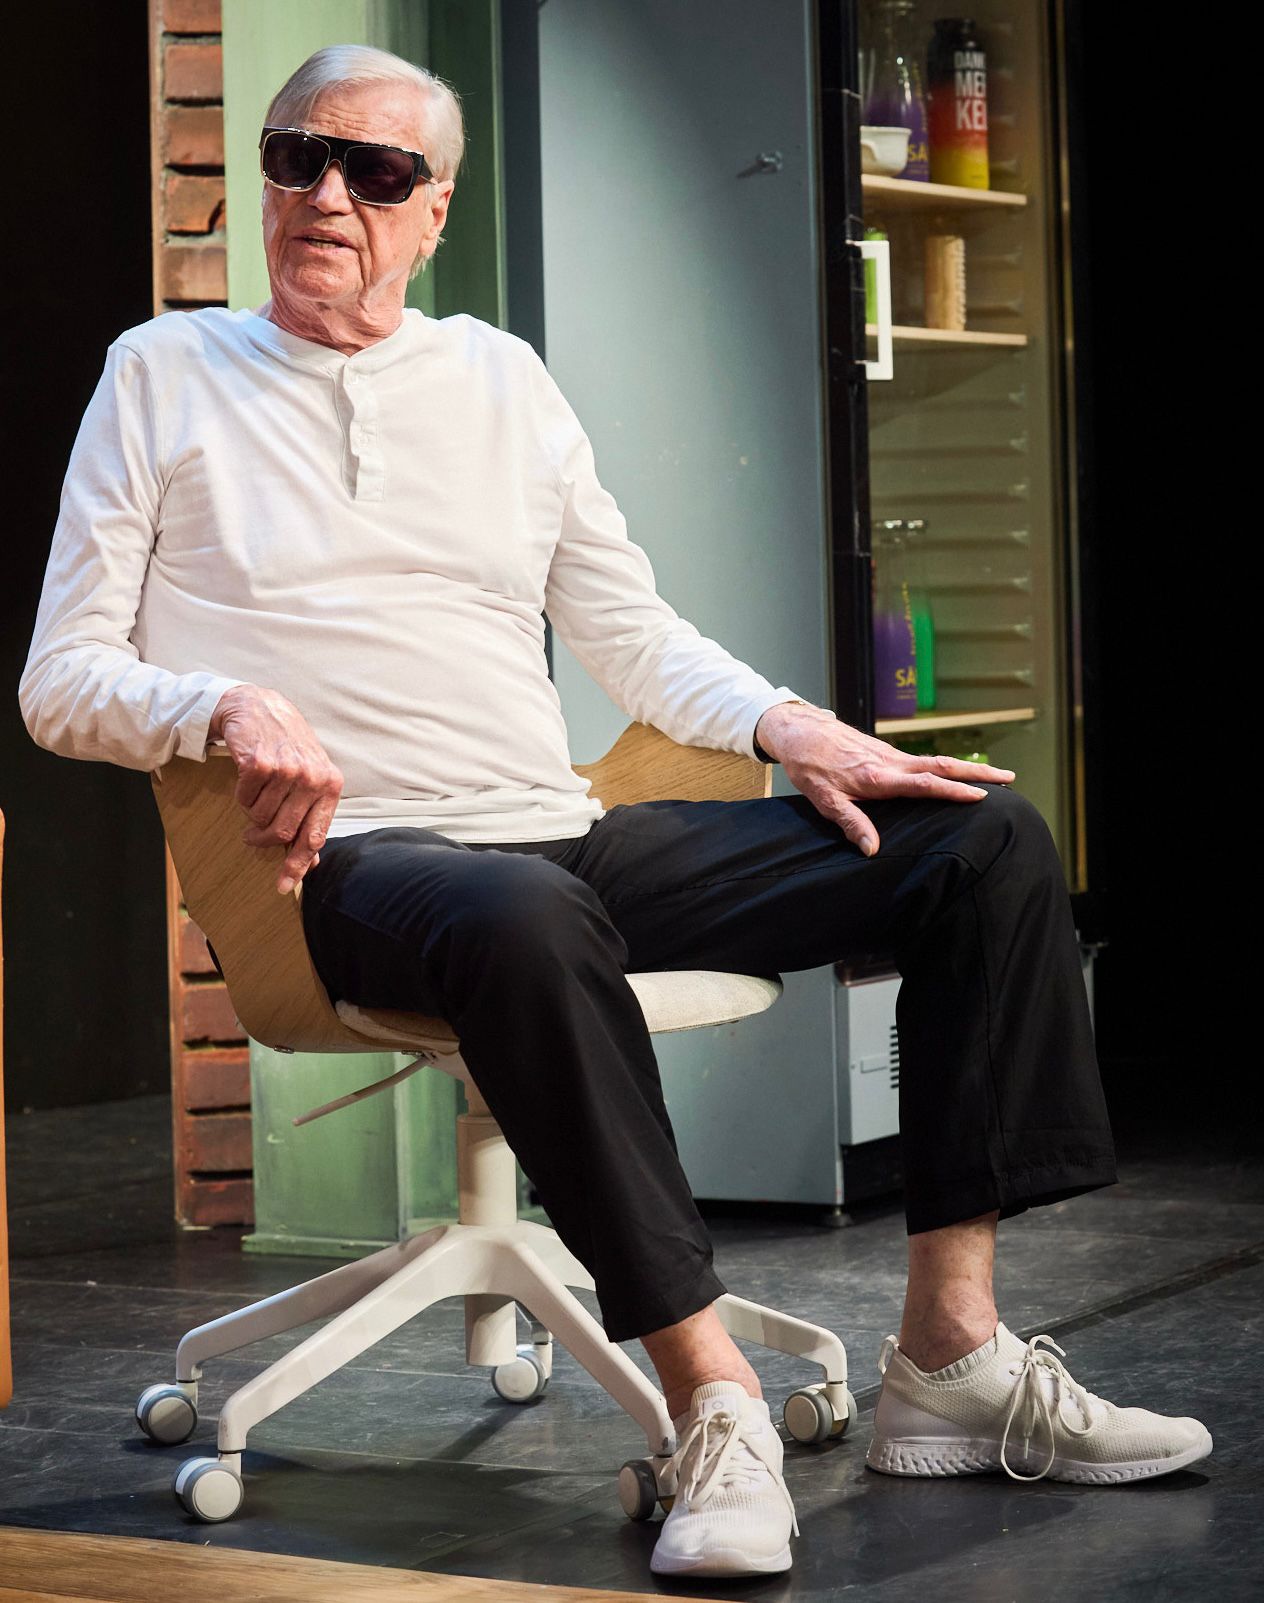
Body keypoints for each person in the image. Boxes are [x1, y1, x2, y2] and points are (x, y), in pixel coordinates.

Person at [19, 43, 1211, 1583]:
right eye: (297, 155)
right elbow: (61, 679)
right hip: (348, 865)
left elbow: (631, 635)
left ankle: (953, 1359)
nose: (326, 192)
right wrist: (221, 705)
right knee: (527, 912)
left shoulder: (499, 380)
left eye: (374, 170)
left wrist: (793, 729)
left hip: (557, 832)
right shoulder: (163, 372)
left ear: (434, 209)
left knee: (980, 838)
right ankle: (711, 1402)